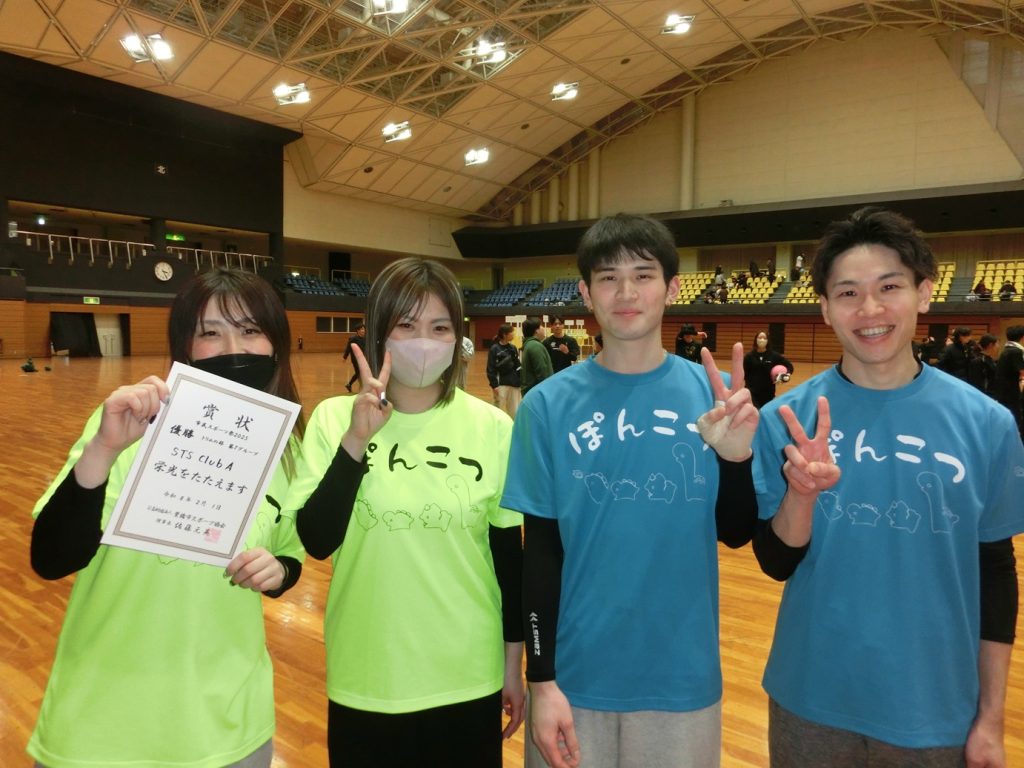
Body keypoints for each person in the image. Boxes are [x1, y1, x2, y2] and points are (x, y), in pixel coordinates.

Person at [752, 207, 1024, 767]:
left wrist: (992, 717)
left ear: (924, 293)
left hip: (933, 707)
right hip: (811, 697)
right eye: (848, 293)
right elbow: (775, 562)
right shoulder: (787, 420)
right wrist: (801, 493)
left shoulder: (987, 424)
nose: (870, 310)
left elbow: (995, 573)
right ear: (825, 308)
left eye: (889, 287)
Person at [503, 213, 759, 768]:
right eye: (608, 278)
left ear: (672, 288)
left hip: (681, 679)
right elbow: (540, 553)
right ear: (585, 293)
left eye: (643, 275)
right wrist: (541, 679)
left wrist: (737, 459)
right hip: (573, 680)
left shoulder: (713, 396)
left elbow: (737, 533)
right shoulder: (545, 406)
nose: (626, 293)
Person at [28, 268, 307, 768]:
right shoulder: (126, 428)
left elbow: (289, 556)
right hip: (103, 727)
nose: (232, 347)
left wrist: (278, 571)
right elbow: (52, 557)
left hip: (230, 727)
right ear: (186, 346)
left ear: (275, 343)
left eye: (250, 330)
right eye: (210, 332)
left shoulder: (284, 448)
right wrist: (104, 449)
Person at [285, 257, 524, 768]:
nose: (424, 342)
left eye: (440, 327)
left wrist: (513, 665)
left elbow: (509, 562)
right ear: (378, 333)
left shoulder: (493, 428)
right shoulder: (333, 419)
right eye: (407, 325)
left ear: (458, 337)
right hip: (369, 673)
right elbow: (317, 539)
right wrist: (356, 440)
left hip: (468, 672)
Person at [743, 331, 794, 409]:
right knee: (756, 412)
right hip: (752, 392)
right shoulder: (749, 356)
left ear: (768, 341)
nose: (762, 340)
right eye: (760, 338)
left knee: (765, 412)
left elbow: (789, 365)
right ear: (756, 340)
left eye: (764, 338)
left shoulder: (774, 356)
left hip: (768, 392)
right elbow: (744, 374)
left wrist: (787, 375)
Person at [993, 325, 1024, 438]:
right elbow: (1021, 370)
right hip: (1011, 390)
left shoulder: (1007, 350)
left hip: (1003, 389)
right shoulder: (1016, 351)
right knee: (1015, 415)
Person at [487, 323, 522, 418]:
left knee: (514, 412)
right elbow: (490, 368)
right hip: (501, 384)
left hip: (514, 384)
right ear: (504, 334)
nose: (513, 334)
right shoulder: (494, 349)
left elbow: (517, 365)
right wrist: (494, 385)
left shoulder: (513, 348)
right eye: (511, 332)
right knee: (498, 412)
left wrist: (520, 379)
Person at [521, 316, 553, 396]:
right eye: (541, 326)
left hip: (532, 393)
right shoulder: (535, 346)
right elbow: (542, 373)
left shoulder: (530, 344)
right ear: (536, 331)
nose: (543, 328)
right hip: (537, 394)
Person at [342, 322, 366, 392]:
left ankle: (349, 384)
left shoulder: (365, 338)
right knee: (359, 373)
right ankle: (361, 387)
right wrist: (345, 357)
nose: (363, 330)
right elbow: (348, 348)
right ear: (358, 330)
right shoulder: (353, 339)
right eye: (362, 329)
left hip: (363, 358)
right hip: (355, 359)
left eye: (364, 329)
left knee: (359, 373)